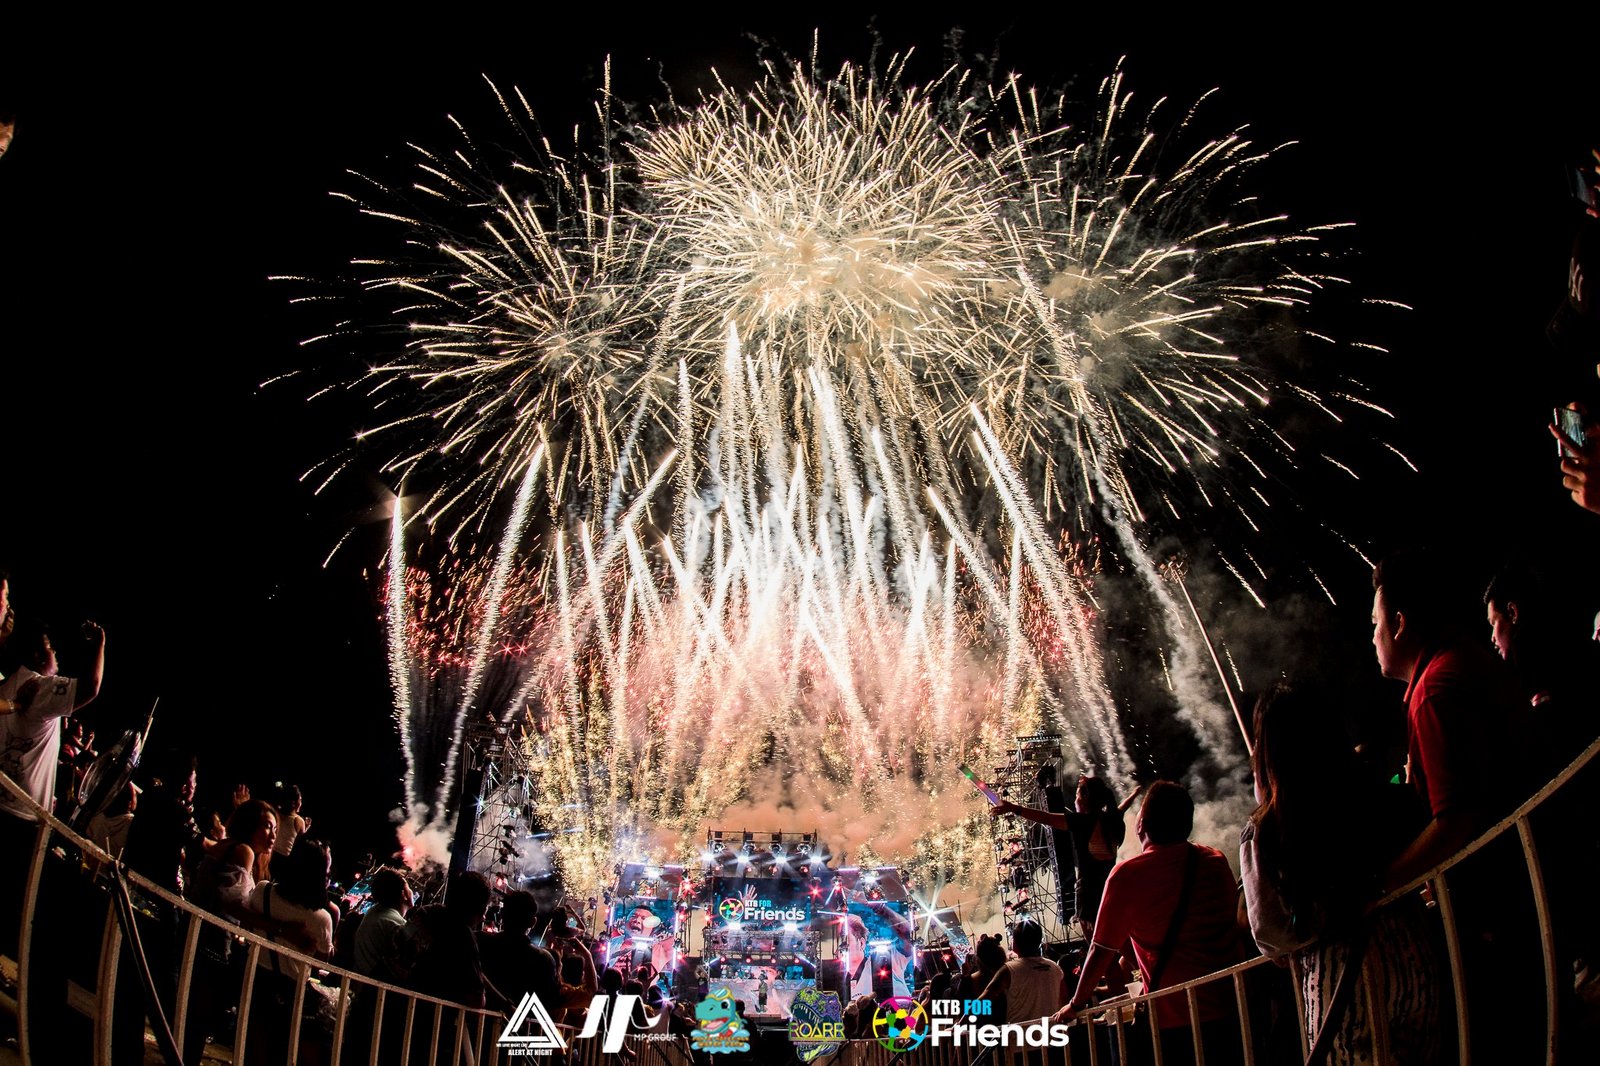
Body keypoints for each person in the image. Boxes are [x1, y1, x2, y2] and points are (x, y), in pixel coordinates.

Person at [1240, 684, 1441, 1065]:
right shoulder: (1377, 796)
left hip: (1341, 979)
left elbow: (1270, 932)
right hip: (1412, 955)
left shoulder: (1266, 829)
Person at [1055, 781, 1244, 1066]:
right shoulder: (1215, 860)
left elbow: (1100, 951)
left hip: (1177, 1018)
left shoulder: (1128, 876)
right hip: (1233, 1007)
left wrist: (1075, 1004)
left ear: (1141, 824)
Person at [992, 775, 1143, 940]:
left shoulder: (1083, 822)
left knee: (1097, 943)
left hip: (1089, 896)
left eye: (1078, 795)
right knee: (1116, 942)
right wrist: (1134, 794)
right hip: (1111, 891)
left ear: (1085, 799)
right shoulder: (1112, 820)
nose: (1075, 800)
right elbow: (1121, 808)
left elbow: (1047, 818)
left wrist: (1014, 808)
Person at [980, 919, 1067, 1027]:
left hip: (1021, 1035)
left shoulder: (1009, 970)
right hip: (1051, 1034)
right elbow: (1064, 1002)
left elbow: (983, 1000)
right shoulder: (1055, 968)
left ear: (1014, 944)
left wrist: (963, 1020)